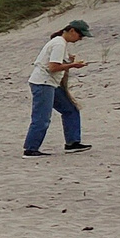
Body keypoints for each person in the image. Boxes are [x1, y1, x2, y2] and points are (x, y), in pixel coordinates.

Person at [24, 19, 91, 155]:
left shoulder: (60, 43)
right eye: (80, 35)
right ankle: (31, 149)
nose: (81, 39)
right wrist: (73, 65)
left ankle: (73, 143)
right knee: (42, 118)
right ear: (72, 31)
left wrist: (68, 61)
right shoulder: (59, 43)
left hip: (51, 83)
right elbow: (53, 67)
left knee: (70, 110)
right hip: (43, 83)